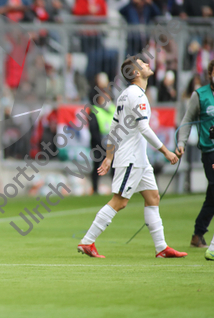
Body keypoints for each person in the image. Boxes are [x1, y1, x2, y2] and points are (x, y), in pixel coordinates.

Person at [77, 56, 187, 258]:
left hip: (139, 159)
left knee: (153, 197)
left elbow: (114, 128)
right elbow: (143, 128)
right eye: (142, 64)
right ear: (136, 73)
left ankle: (161, 247)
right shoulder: (137, 96)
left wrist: (109, 157)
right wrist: (166, 151)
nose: (147, 64)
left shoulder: (125, 95)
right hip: (131, 159)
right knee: (119, 202)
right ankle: (87, 241)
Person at [176, 60, 214, 249]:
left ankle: (198, 233)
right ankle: (199, 233)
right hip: (210, 151)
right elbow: (187, 120)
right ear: (210, 74)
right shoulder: (200, 95)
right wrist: (181, 143)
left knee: (213, 194)